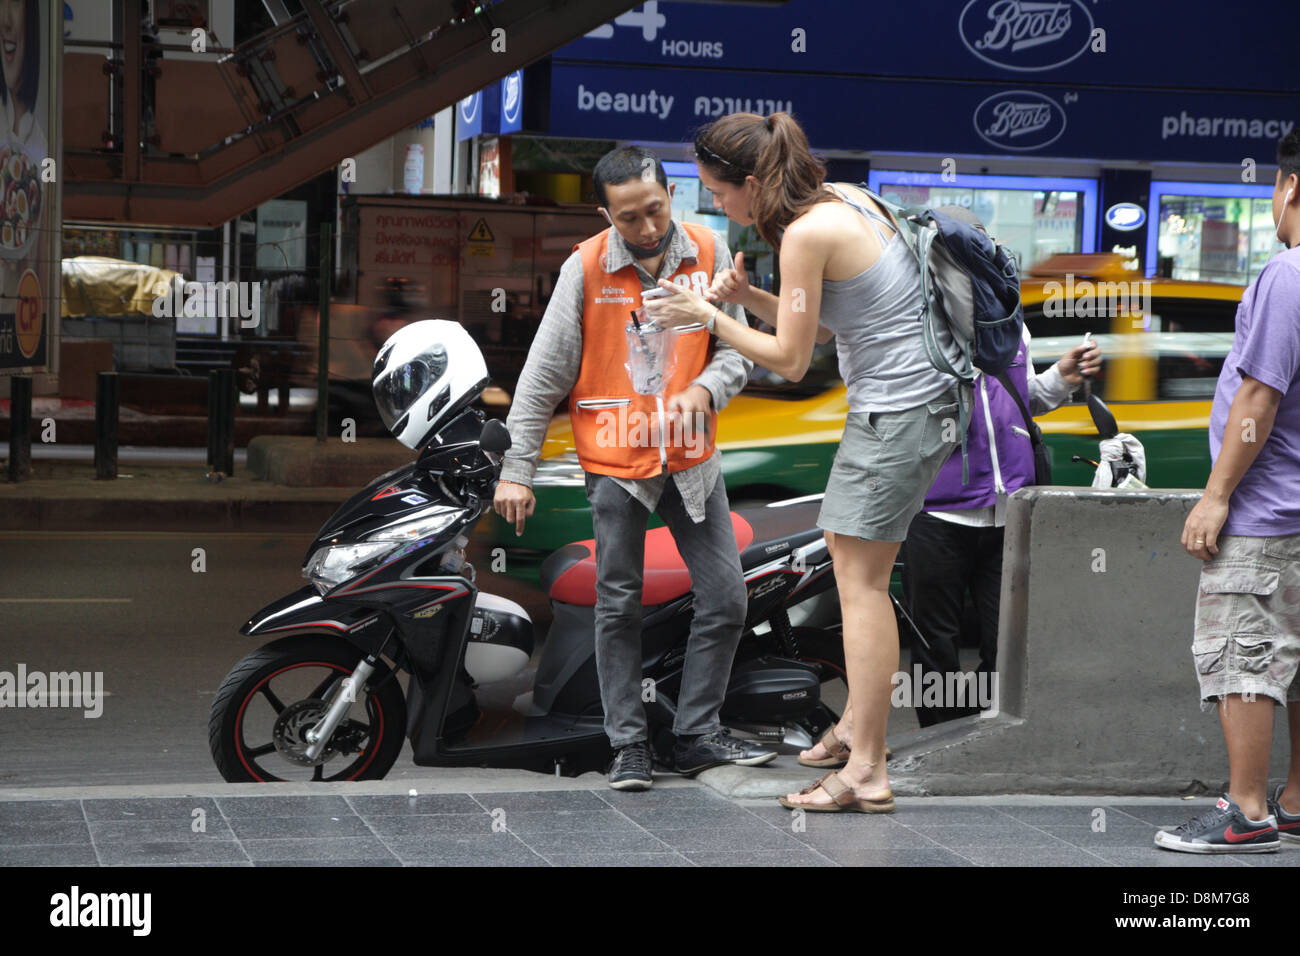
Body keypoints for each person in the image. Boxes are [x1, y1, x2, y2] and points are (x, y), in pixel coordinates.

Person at [646, 112, 966, 813]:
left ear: (754, 183)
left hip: (896, 414)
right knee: (851, 561)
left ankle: (868, 771)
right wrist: (746, 300)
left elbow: (790, 362)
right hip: (915, 410)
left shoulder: (804, 233)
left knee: (861, 585)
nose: (717, 207)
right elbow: (820, 325)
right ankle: (856, 726)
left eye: (720, 194)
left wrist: (706, 317)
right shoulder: (844, 199)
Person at [493, 145, 776, 791]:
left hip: (692, 461)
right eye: (628, 218)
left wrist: (706, 390)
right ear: (606, 214)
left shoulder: (708, 251)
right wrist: (516, 469)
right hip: (617, 465)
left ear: (670, 194)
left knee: (727, 598)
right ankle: (629, 745)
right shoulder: (586, 267)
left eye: (653, 210)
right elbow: (541, 379)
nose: (646, 228)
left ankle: (697, 733)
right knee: (616, 605)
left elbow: (737, 352)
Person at [799, 211, 1102, 763]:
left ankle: (989, 747)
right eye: (973, 256)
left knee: (1002, 641)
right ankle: (940, 751)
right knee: (935, 648)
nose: (985, 265)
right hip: (934, 510)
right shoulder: (915, 320)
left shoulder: (1004, 321)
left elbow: (1020, 398)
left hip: (1009, 508)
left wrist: (1062, 378)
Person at [1157, 130, 1300, 853]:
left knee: (1245, 651)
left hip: (1267, 512)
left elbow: (1258, 399)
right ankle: (1298, 799)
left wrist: (1216, 497)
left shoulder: (1289, 273)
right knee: (1297, 655)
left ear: (1291, 188)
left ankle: (1246, 810)